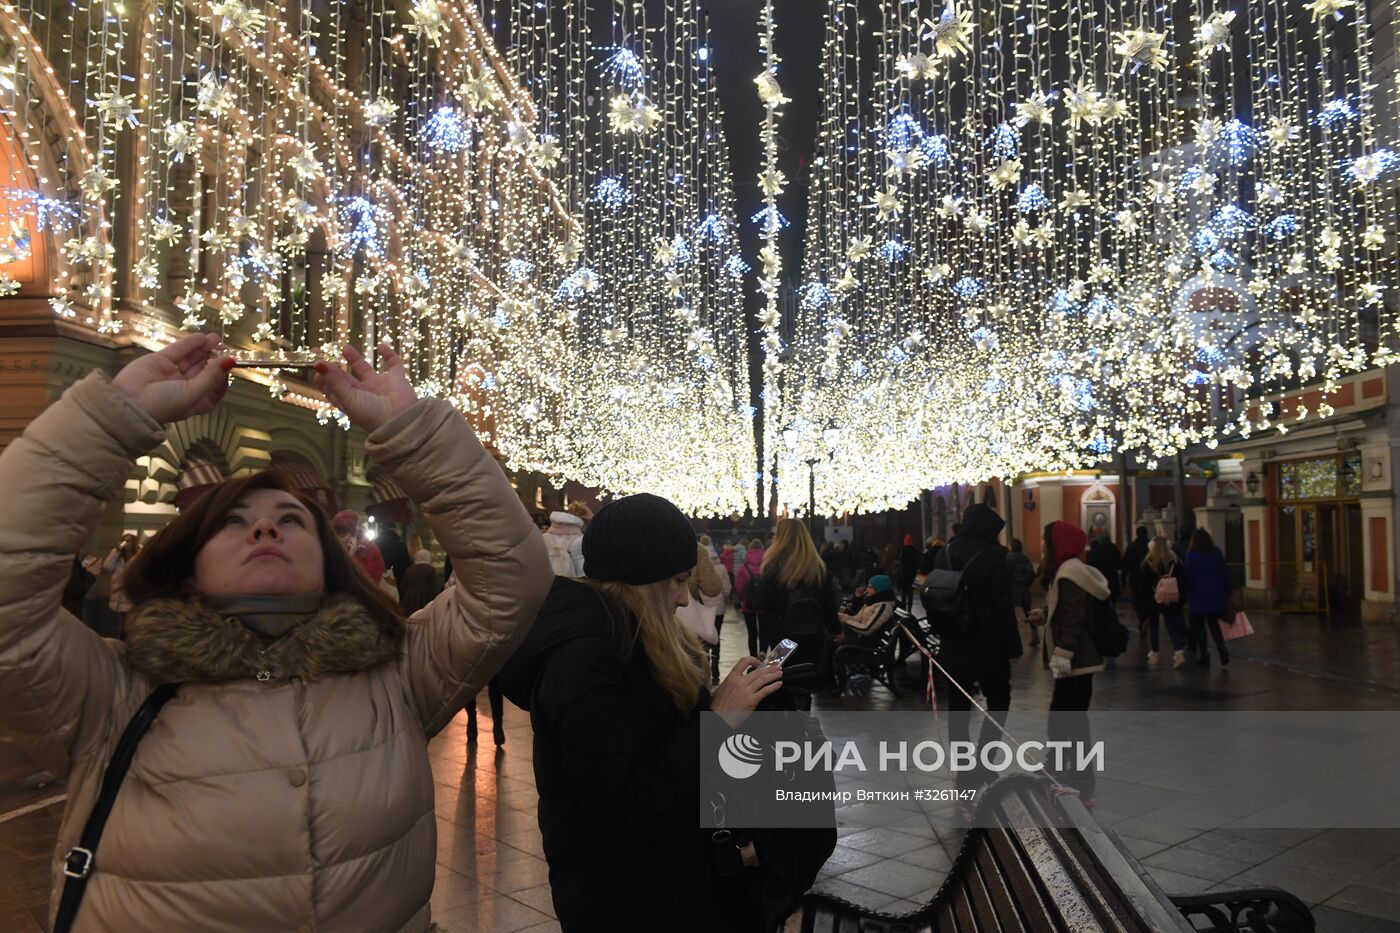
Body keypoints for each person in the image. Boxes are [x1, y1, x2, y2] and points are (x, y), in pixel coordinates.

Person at [0, 335, 549, 930]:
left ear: (329, 560)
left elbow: (511, 578)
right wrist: (113, 415)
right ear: (189, 565)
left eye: (291, 520)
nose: (265, 529)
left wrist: (416, 432)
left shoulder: (396, 673)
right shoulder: (112, 692)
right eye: (234, 523)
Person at [497, 493, 784, 932]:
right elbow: (635, 804)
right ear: (643, 579)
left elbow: (656, 743)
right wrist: (717, 723)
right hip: (626, 900)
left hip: (664, 885)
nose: (685, 599)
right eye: (676, 581)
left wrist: (727, 700)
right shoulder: (585, 662)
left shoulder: (628, 638)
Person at [927, 504, 1022, 794]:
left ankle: (965, 769)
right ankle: (985, 760)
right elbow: (1002, 607)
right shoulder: (994, 556)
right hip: (988, 642)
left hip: (954, 639)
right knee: (999, 700)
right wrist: (1012, 647)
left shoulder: (945, 552)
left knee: (958, 709)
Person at [1026, 521, 1108, 802]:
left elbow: (1075, 616)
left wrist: (1064, 652)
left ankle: (1082, 778)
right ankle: (1059, 766)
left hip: (1077, 660)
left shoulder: (1070, 572)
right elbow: (1066, 608)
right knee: (1063, 715)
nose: (1041, 544)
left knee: (1071, 719)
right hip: (1075, 659)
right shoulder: (1067, 570)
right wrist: (1044, 613)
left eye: (1044, 539)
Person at [746, 519, 843, 675]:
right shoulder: (818, 567)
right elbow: (828, 605)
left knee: (782, 681)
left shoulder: (775, 567)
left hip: (783, 640)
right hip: (813, 636)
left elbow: (761, 602)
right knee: (805, 682)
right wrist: (836, 630)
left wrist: (750, 590)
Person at [1185, 528, 1232, 667]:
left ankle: (1204, 655)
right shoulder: (1216, 553)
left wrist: (1187, 591)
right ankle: (1222, 648)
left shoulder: (1191, 554)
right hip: (1216, 594)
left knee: (1199, 626)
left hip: (1198, 595)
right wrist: (1228, 590)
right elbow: (1225, 572)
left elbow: (1189, 577)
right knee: (1213, 624)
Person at [1140, 535, 1188, 668]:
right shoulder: (1175, 561)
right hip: (1170, 598)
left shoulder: (1148, 562)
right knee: (1171, 626)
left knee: (1154, 627)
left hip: (1153, 599)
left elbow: (1142, 584)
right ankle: (1179, 653)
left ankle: (1155, 654)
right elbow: (1182, 580)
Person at [332, 509, 386, 584]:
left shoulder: (370, 550)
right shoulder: (337, 549)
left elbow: (368, 584)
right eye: (335, 534)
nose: (337, 539)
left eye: (341, 534)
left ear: (352, 535)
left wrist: (351, 559)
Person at [734, 537, 765, 655]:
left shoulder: (744, 567)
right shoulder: (766, 566)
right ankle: (762, 652)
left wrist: (743, 599)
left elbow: (738, 586)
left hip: (748, 604)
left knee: (752, 632)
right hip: (764, 603)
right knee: (764, 631)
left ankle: (753, 656)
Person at [1005, 537, 1038, 647]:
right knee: (1028, 612)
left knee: (1010, 615)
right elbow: (1032, 574)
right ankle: (1035, 636)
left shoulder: (1009, 558)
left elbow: (1007, 575)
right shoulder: (1026, 558)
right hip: (1024, 590)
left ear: (1012, 547)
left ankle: (1013, 641)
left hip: (1013, 590)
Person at [543, 509, 586, 576]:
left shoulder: (543, 538)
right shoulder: (579, 540)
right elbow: (582, 570)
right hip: (571, 583)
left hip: (545, 583)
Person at [398, 548, 441, 616]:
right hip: (426, 598)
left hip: (409, 599)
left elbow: (403, 587)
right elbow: (434, 587)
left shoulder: (409, 570)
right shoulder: (430, 570)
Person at [1085, 534, 1124, 602]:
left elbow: (1092, 564)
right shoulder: (1114, 549)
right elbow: (1120, 564)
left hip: (1101, 577)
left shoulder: (1097, 550)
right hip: (1112, 577)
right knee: (1112, 597)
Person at [896, 534, 919, 611]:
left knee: (903, 592)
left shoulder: (902, 550)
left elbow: (899, 562)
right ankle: (909, 609)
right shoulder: (914, 550)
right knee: (910, 592)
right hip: (912, 574)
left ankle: (903, 607)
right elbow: (917, 562)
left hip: (903, 574)